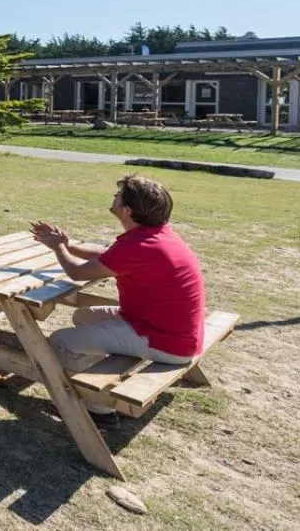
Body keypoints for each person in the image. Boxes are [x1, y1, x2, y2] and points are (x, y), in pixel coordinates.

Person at [30, 173, 205, 410]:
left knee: (59, 342)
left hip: (165, 341)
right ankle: (102, 367)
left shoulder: (139, 245)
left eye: (118, 195)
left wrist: (58, 248)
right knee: (83, 316)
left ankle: (99, 405)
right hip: (168, 330)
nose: (113, 196)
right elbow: (108, 256)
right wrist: (69, 245)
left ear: (128, 210)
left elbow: (77, 273)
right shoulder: (155, 235)